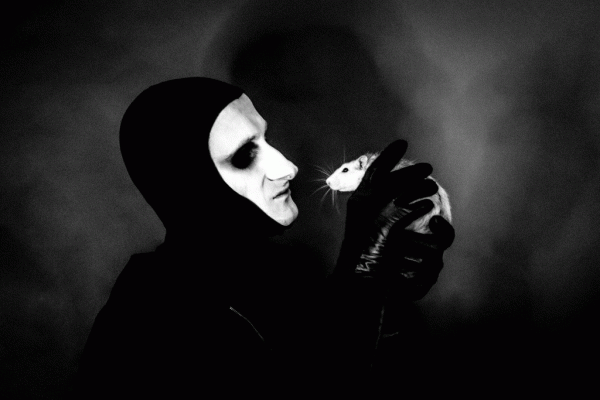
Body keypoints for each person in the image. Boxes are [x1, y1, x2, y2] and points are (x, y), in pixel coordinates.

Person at [74, 77, 455, 398]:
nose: (287, 167)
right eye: (244, 156)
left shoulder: (287, 274)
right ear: (190, 185)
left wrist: (384, 303)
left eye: (266, 138)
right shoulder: (141, 328)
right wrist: (363, 277)